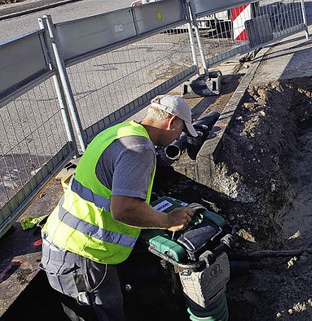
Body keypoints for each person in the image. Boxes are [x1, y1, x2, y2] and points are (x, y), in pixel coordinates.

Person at [40, 95, 197, 321]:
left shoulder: (118, 132)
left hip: (69, 246)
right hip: (83, 256)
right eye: (180, 131)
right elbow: (124, 210)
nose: (178, 138)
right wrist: (168, 220)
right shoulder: (139, 149)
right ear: (172, 122)